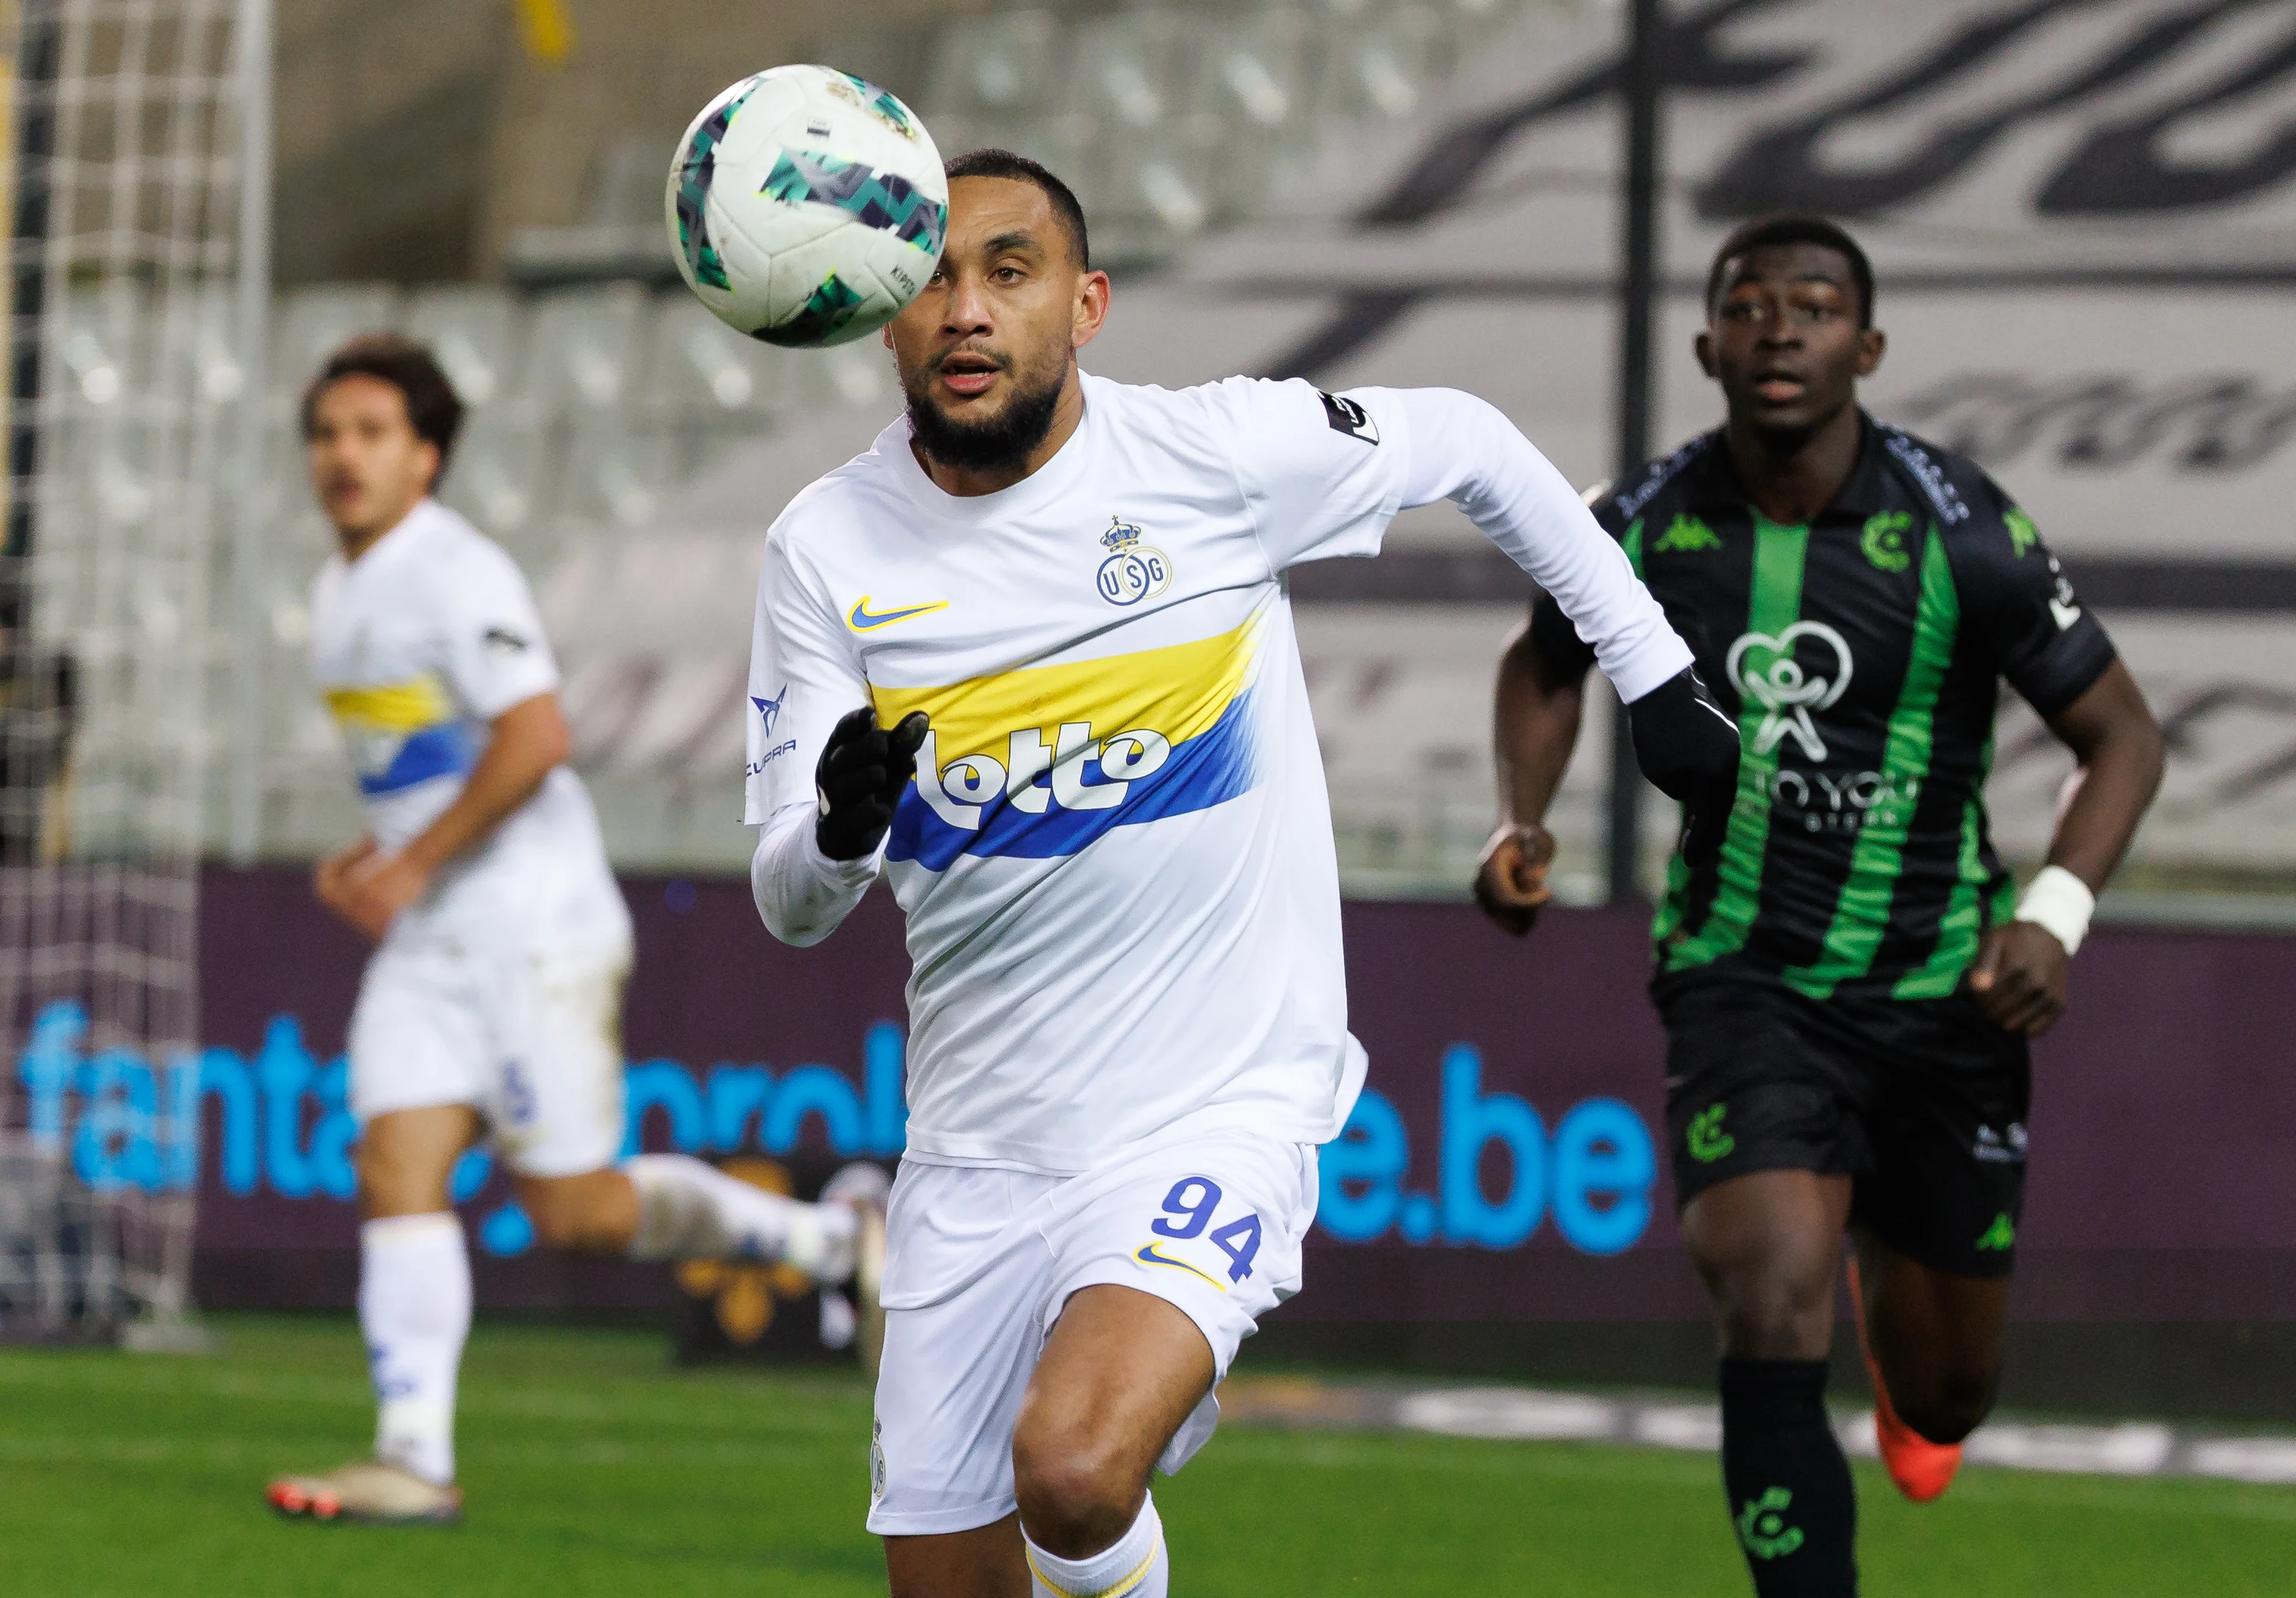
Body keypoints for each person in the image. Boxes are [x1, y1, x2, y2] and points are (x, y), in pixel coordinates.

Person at [746, 148, 1737, 1597]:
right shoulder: (824, 548)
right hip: (972, 1151)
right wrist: (836, 827)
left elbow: (1465, 439)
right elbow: (788, 902)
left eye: (1005, 272)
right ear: (881, 318)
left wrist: (1652, 674)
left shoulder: (1207, 459)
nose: (965, 310)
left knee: (1077, 1474)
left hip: (1210, 1107)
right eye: (929, 280)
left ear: (1083, 305)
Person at [1475, 214, 2166, 1595]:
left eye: (1811, 306)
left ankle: (1905, 1358)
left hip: (1940, 990)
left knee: (1949, 1390)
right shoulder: (1644, 522)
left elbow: (2124, 738)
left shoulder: (1961, 529)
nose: (1778, 329)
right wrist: (1522, 818)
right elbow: (1543, 664)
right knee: (1768, 1282)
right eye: (1749, 305)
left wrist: (2053, 915)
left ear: (1867, 344)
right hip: (1744, 983)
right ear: (1706, 344)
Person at [266, 335, 888, 1527]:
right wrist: (382, 855)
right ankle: (411, 1459)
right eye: (327, 433)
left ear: (426, 456)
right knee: (394, 1158)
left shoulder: (455, 572)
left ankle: (827, 1241)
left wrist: (412, 862)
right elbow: (430, 757)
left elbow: (537, 737)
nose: (343, 456)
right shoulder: (344, 588)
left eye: (371, 433)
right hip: (435, 939)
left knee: (577, 1213)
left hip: (532, 930)